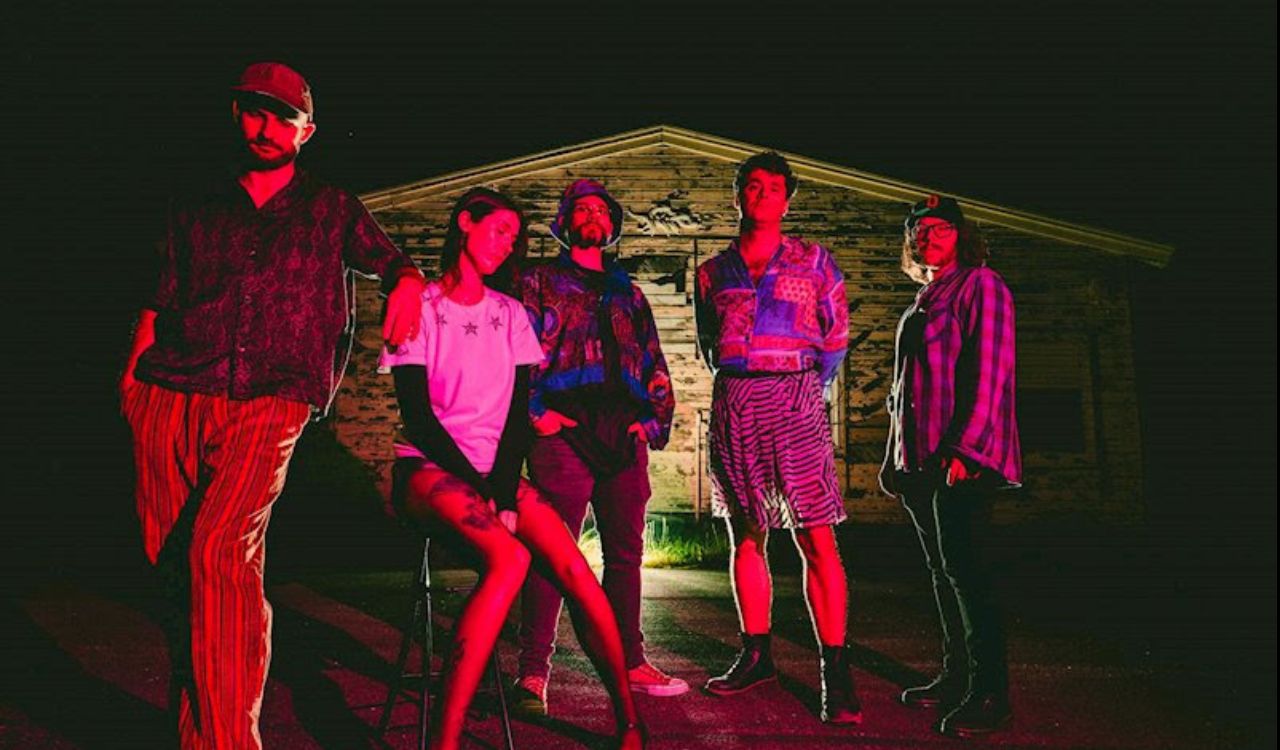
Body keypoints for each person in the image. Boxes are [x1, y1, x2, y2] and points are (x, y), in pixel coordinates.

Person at [118, 62, 427, 749]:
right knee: (177, 577)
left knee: (220, 552)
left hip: (271, 398)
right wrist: (132, 387)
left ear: (306, 131)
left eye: (281, 116)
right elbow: (158, 294)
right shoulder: (195, 202)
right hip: (171, 390)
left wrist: (405, 282)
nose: (264, 127)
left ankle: (230, 741)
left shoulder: (332, 207)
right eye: (252, 112)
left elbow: (391, 261)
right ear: (236, 116)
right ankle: (199, 734)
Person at [380, 187, 645, 750]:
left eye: (515, 238)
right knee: (510, 557)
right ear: (465, 223)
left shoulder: (511, 316)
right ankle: (444, 741)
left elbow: (517, 417)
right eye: (498, 230)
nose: (508, 245)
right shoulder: (421, 306)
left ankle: (628, 724)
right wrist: (486, 493)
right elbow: (420, 421)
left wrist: (503, 491)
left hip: (494, 474)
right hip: (428, 469)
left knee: (575, 568)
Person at [693, 151, 861, 724]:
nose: (761, 194)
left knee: (815, 536)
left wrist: (802, 387)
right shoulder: (711, 271)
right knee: (747, 532)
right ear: (737, 194)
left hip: (794, 396)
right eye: (751, 186)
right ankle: (756, 652)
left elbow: (835, 340)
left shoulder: (816, 262)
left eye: (773, 187)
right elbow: (707, 341)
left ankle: (834, 671)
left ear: (788, 197)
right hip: (736, 398)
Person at [513, 178, 686, 715]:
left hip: (622, 432)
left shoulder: (627, 292)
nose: (591, 216)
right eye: (580, 209)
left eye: (600, 211)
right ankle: (533, 672)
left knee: (626, 556)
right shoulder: (538, 280)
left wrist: (653, 423)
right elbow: (516, 355)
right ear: (564, 225)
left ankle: (629, 660)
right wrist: (536, 415)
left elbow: (654, 360)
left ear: (611, 227)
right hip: (565, 430)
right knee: (552, 553)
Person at [880, 194, 1021, 738]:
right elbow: (903, 389)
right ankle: (956, 674)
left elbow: (989, 372)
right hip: (918, 461)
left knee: (969, 574)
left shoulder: (980, 285)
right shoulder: (922, 299)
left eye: (939, 228)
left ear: (961, 235)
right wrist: (894, 458)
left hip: (961, 458)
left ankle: (990, 694)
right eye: (918, 230)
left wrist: (966, 450)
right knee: (942, 573)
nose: (927, 237)